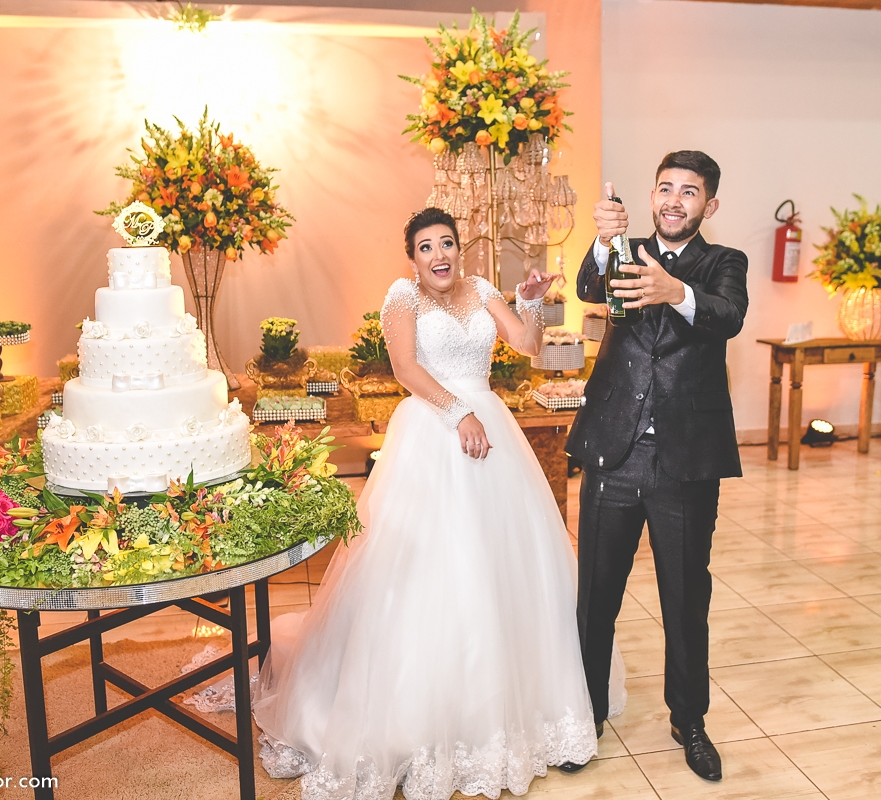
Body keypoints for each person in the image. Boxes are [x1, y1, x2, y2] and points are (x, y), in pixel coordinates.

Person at [252, 207, 622, 800]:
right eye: (426, 247)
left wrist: (527, 303)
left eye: (446, 243)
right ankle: (412, 718)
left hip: (490, 433)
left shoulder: (479, 289)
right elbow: (404, 369)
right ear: (413, 258)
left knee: (502, 566)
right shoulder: (403, 299)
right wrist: (458, 414)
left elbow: (526, 346)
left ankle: (506, 707)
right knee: (426, 571)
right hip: (433, 430)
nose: (438, 255)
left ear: (459, 249)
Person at [567, 150, 748, 782]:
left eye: (689, 192)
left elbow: (728, 316)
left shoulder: (724, 263)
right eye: (665, 188)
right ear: (651, 196)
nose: (674, 200)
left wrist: (679, 293)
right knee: (595, 596)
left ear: (709, 205)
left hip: (684, 462)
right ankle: (584, 714)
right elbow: (591, 288)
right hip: (613, 452)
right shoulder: (626, 248)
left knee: (684, 596)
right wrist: (602, 241)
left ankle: (689, 721)